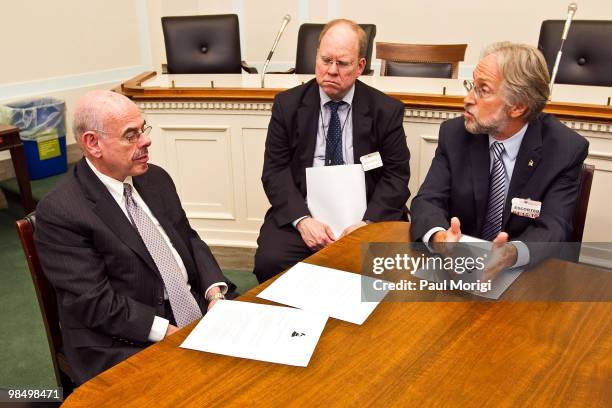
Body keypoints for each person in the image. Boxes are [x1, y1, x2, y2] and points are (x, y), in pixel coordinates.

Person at [34, 90, 235, 384]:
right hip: (123, 338)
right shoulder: (61, 211)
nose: (146, 141)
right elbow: (94, 302)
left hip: (193, 306)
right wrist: (169, 333)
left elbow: (189, 239)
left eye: (143, 130)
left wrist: (214, 294)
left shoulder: (155, 178)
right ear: (93, 143)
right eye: (131, 135)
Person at [410, 42, 589, 278]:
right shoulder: (455, 134)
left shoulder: (564, 149)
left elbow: (554, 227)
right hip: (456, 268)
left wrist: (511, 254)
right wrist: (440, 238)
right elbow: (428, 201)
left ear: (518, 107)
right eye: (471, 85)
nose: (467, 99)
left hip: (524, 276)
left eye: (482, 90)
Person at [254, 19, 410, 283]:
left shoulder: (386, 110)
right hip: (306, 211)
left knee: (391, 270)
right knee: (271, 262)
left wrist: (366, 225)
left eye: (343, 63)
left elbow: (396, 176)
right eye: (325, 60)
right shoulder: (287, 105)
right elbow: (275, 171)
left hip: (366, 214)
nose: (331, 71)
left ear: (360, 66)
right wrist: (303, 221)